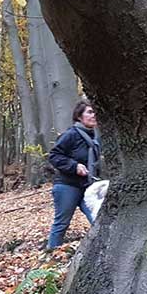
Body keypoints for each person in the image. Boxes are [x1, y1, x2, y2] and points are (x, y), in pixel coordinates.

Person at [47, 100, 101, 249]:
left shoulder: (95, 138)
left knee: (98, 220)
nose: (94, 115)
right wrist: (74, 166)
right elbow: (54, 156)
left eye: (95, 111)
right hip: (67, 186)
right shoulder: (71, 134)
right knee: (61, 224)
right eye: (90, 112)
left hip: (88, 187)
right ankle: (49, 261)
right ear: (79, 116)